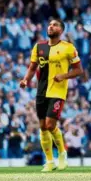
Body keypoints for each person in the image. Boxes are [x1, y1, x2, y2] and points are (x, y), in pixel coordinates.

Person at [20, 19, 83, 172]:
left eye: (55, 25)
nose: (51, 26)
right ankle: (49, 161)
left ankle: (62, 154)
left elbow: (79, 70)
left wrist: (64, 76)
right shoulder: (39, 47)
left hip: (58, 91)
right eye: (49, 24)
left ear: (61, 30)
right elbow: (32, 67)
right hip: (41, 91)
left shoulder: (68, 48)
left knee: (50, 125)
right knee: (42, 127)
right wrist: (25, 79)